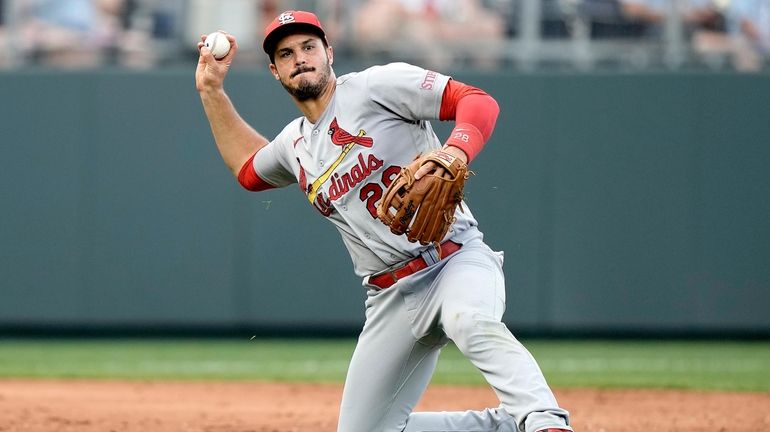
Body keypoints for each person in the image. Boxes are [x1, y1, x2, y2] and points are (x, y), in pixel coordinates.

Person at [195, 9, 573, 432]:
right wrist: (211, 90)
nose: (300, 58)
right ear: (275, 71)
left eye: (308, 47)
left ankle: (545, 421)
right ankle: (506, 427)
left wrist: (455, 152)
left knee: (470, 319)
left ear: (329, 52)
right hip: (390, 298)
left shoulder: (377, 86)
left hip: (452, 260)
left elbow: (477, 101)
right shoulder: (294, 144)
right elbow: (248, 170)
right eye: (286, 54)